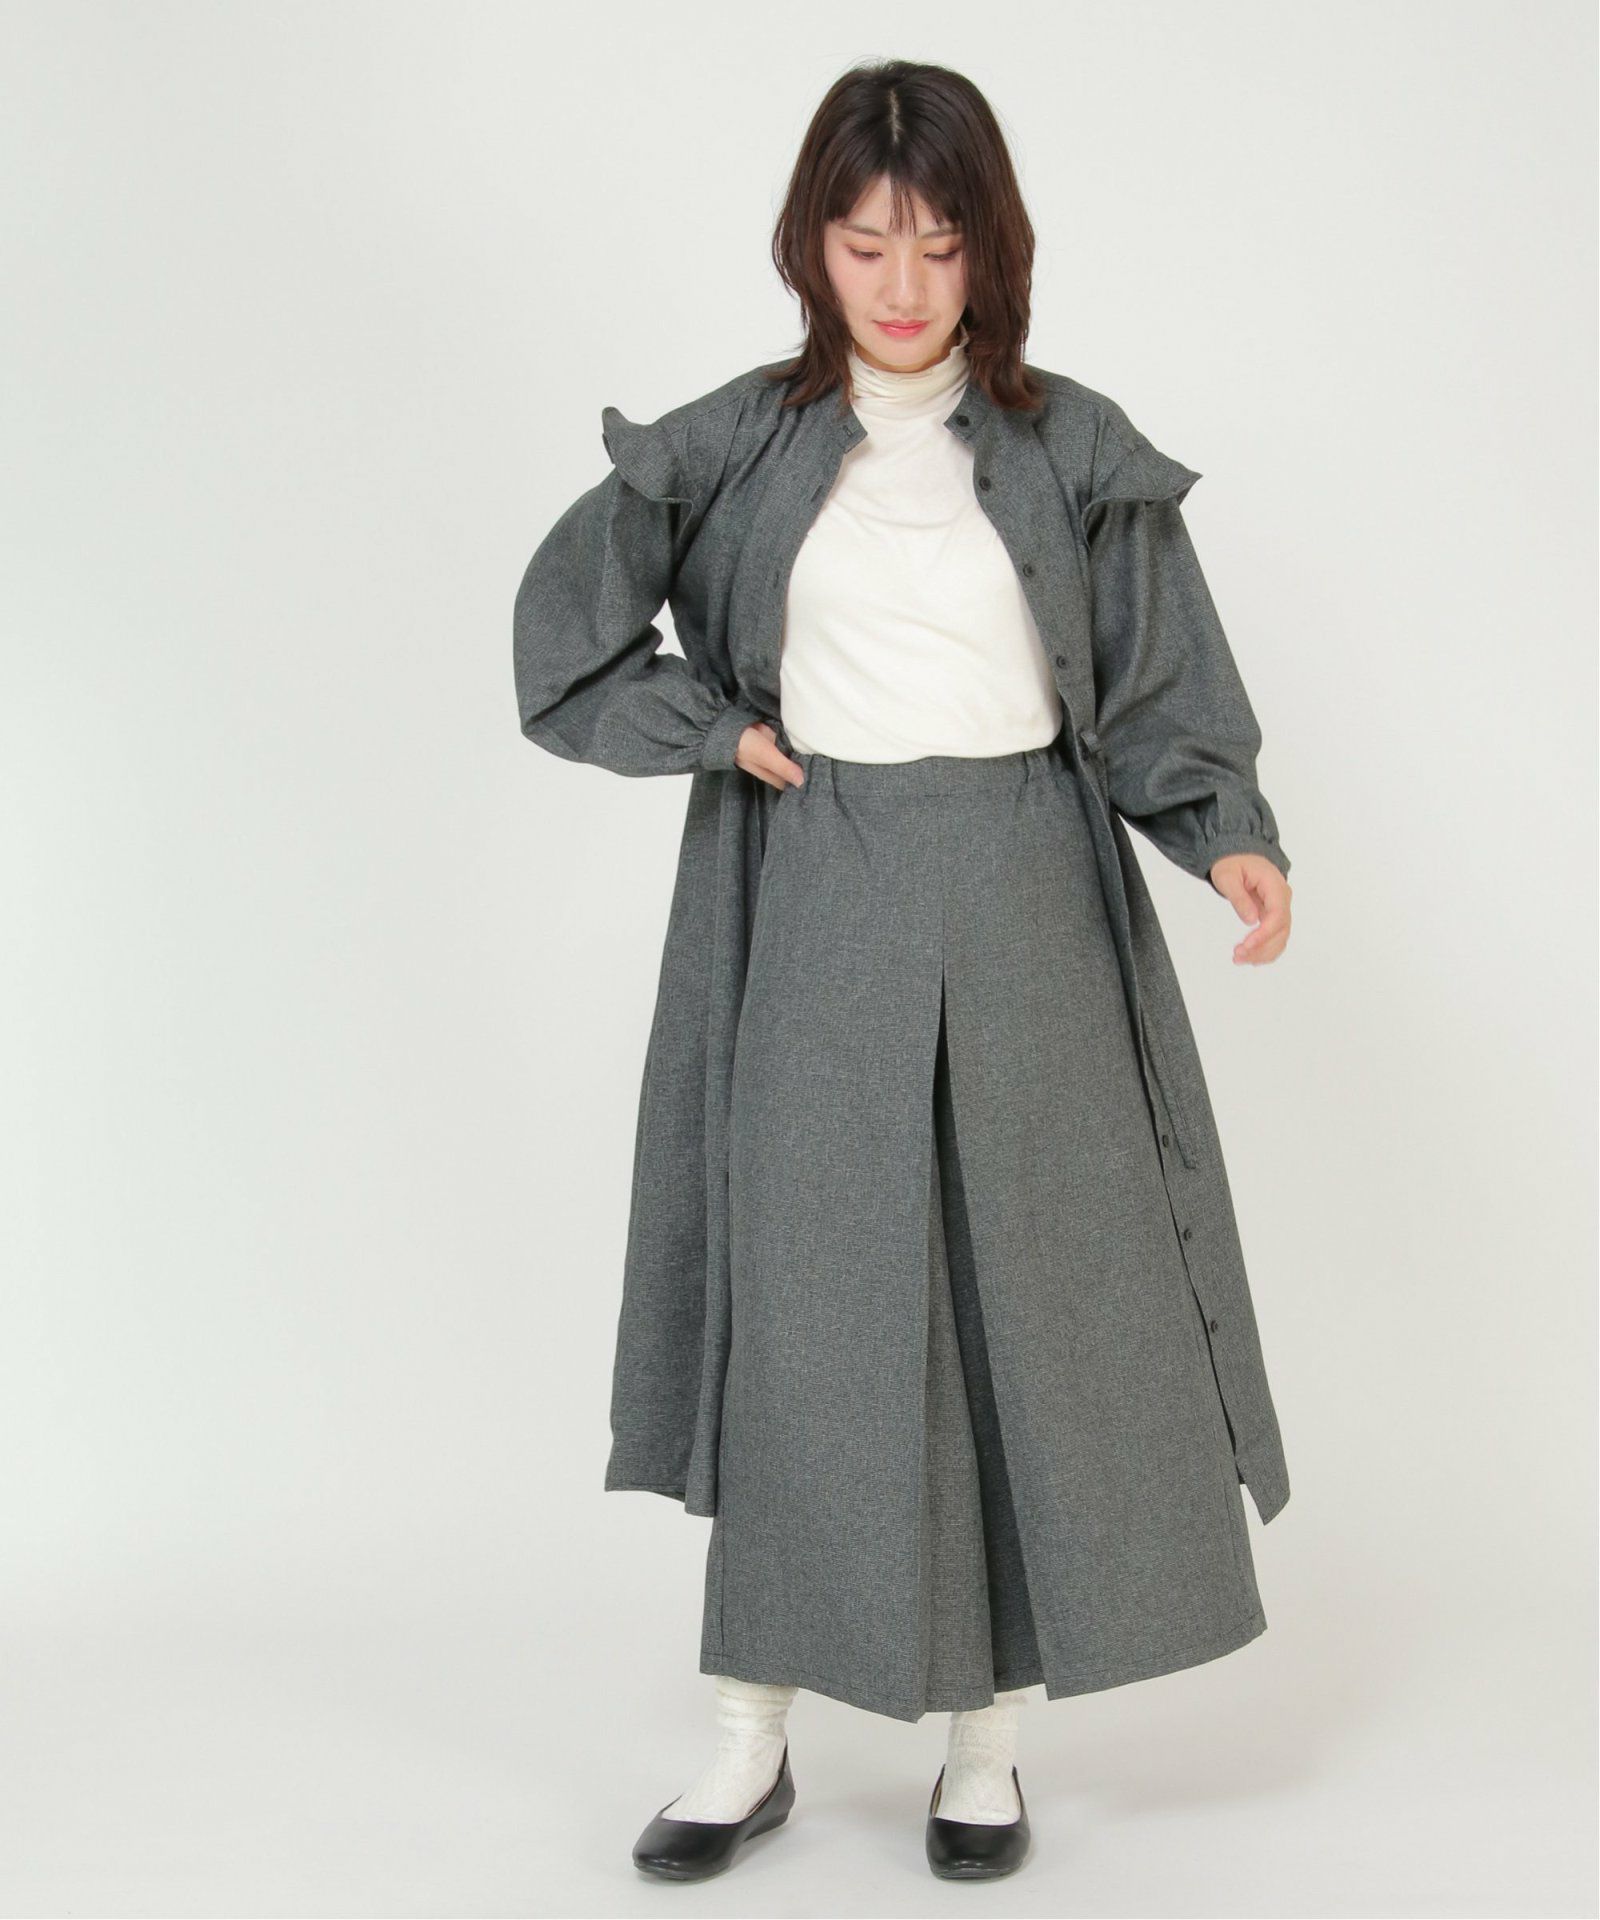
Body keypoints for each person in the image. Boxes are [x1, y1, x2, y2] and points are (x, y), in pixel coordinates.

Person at [513, 59, 1294, 1885]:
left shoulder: (1073, 447)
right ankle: (746, 1741)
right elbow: (566, 638)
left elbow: (1161, 686)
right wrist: (713, 732)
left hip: (1029, 892)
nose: (902, 284)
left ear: (990, 250)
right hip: (826, 885)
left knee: (1029, 1303)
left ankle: (984, 1753)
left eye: (940, 245)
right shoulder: (732, 441)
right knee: (806, 1302)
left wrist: (1226, 833)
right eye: (866, 244)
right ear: (812, 244)